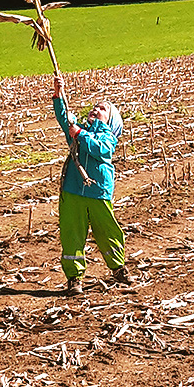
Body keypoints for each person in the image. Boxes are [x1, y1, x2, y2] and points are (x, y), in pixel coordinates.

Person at [52, 75, 131, 295]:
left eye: (103, 109)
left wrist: (80, 133)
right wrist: (58, 94)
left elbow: (100, 148)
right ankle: (74, 278)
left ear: (111, 121)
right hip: (73, 190)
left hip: (98, 191)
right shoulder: (77, 130)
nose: (96, 109)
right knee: (72, 233)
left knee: (107, 230)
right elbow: (64, 118)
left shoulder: (108, 137)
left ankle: (118, 267)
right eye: (95, 106)